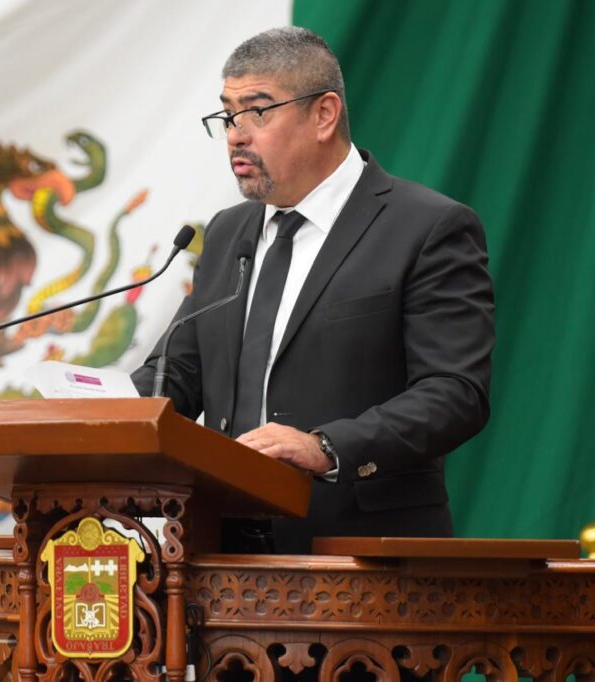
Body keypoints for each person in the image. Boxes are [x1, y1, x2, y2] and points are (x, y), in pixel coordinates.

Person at [131, 27, 495, 554]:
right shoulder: (229, 232)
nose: (235, 135)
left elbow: (455, 393)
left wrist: (326, 446)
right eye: (227, 116)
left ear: (324, 114)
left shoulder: (427, 228)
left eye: (257, 112)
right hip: (222, 556)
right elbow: (178, 374)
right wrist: (97, 414)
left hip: (363, 558)